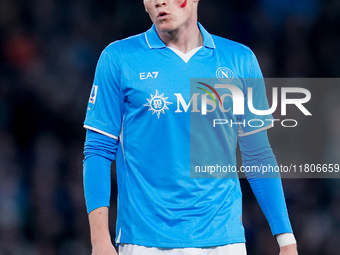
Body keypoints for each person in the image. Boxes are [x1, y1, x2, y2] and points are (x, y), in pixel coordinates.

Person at [83, 0, 298, 254]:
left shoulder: (239, 60)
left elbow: (257, 155)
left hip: (224, 241)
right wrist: (99, 241)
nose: (159, 2)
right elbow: (98, 150)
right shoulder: (119, 58)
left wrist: (286, 240)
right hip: (143, 241)